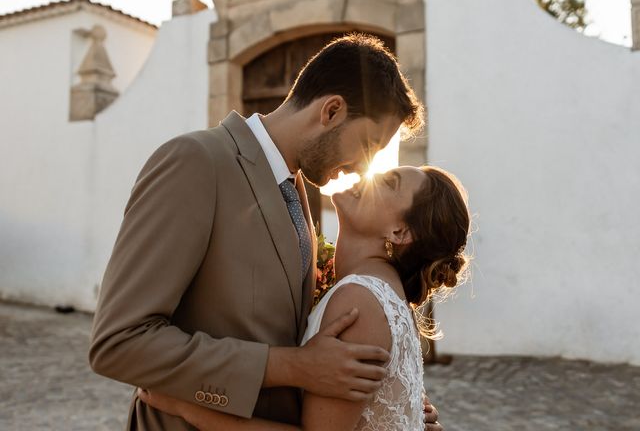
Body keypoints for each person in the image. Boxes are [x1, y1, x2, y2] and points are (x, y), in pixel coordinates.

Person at [89, 34, 442, 430]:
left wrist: (388, 405)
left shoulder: (296, 193)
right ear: (331, 111)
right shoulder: (196, 162)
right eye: (366, 145)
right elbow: (119, 343)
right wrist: (291, 367)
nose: (364, 168)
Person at [137, 165, 471, 430]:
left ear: (399, 233)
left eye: (389, 183)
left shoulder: (360, 302)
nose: (370, 177)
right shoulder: (385, 294)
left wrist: (188, 408)